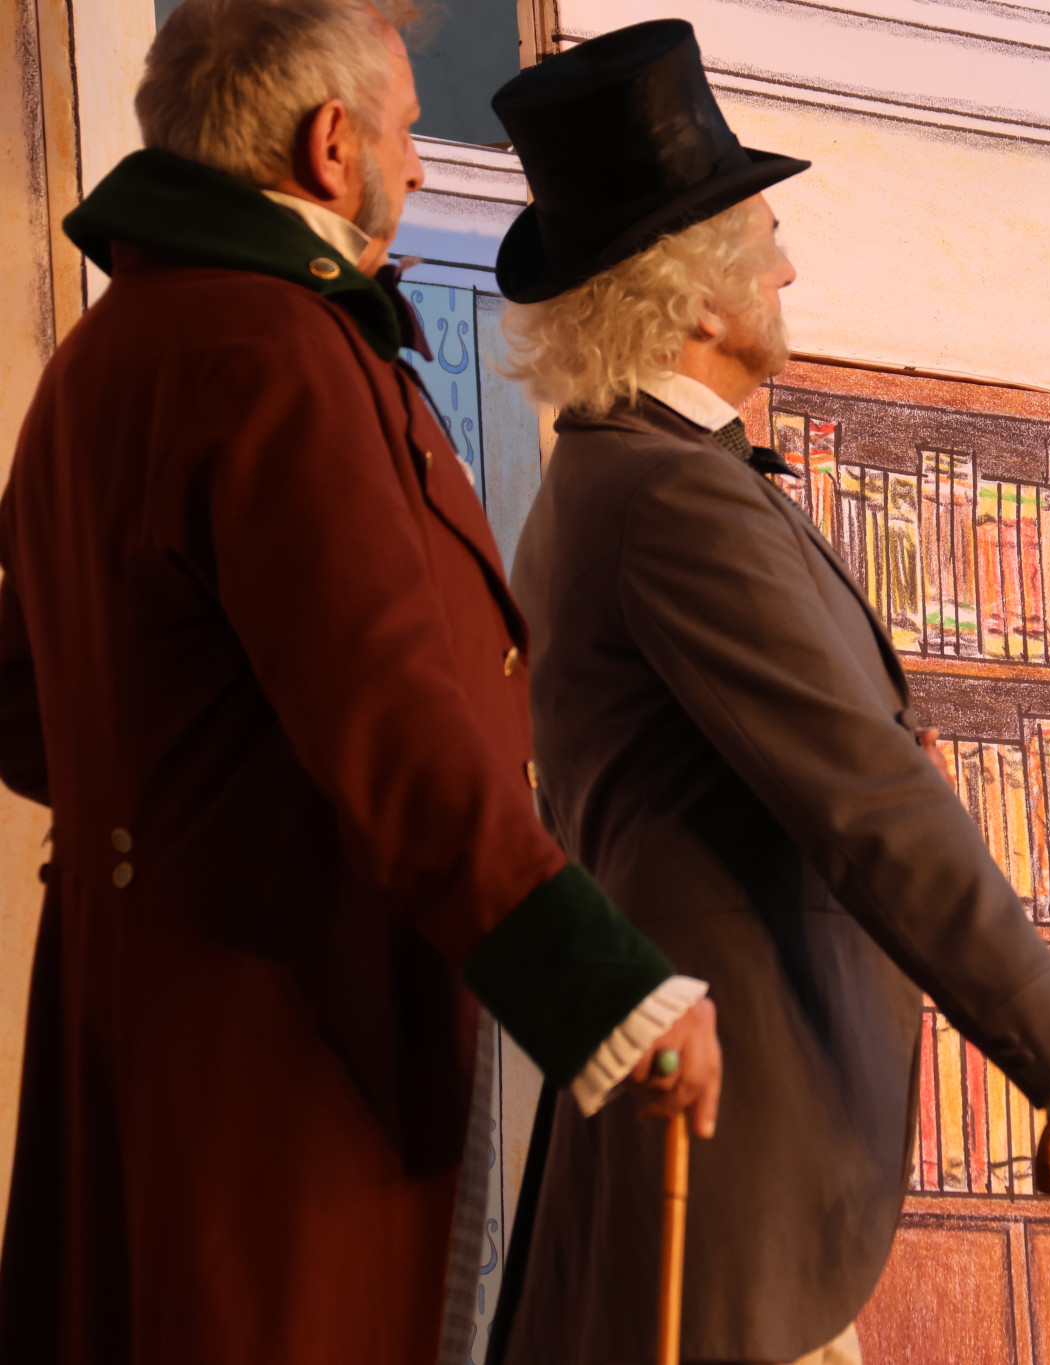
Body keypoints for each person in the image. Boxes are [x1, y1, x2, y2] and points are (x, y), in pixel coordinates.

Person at [480, 22, 1050, 1365]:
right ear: (695, 299)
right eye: (763, 239)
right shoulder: (666, 498)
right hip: (731, 1159)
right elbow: (872, 797)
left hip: (726, 1145)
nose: (786, 268)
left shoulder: (628, 475)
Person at [0, 1, 726, 1361]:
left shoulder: (97, 360)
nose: (422, 162)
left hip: (127, 1038)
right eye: (405, 130)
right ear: (332, 146)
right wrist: (610, 993)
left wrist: (173, 826)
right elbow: (391, 721)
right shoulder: (275, 355)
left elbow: (28, 714)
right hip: (285, 1052)